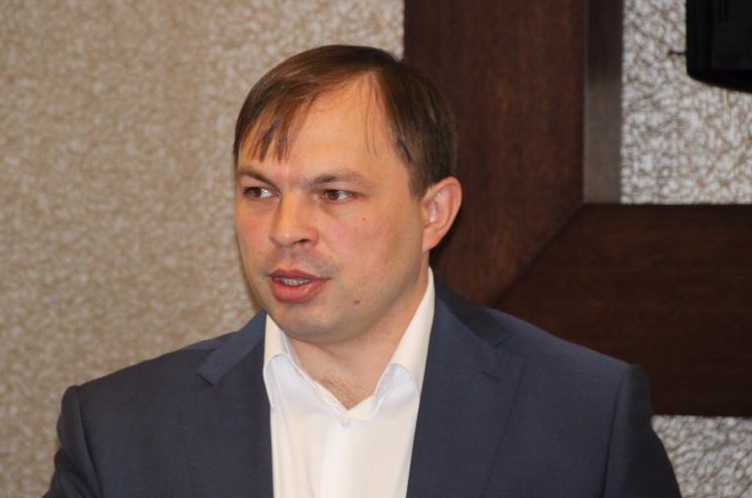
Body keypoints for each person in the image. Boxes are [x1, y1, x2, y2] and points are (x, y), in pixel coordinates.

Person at [45, 45, 681, 497]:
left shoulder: (583, 416)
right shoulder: (118, 429)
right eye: (259, 190)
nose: (285, 228)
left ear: (433, 212)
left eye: (334, 193)